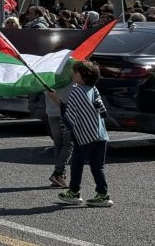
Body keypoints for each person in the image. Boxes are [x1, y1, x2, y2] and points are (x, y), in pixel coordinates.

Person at [48, 60, 112, 207]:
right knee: (98, 166)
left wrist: (54, 97)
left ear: (83, 76)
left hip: (85, 135)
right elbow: (101, 111)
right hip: (100, 134)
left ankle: (74, 192)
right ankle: (103, 195)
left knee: (77, 164)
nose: (73, 74)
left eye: (75, 72)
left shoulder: (77, 90)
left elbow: (69, 113)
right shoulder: (94, 90)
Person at [45, 81, 74, 189]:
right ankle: (58, 173)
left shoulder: (47, 78)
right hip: (64, 114)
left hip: (51, 113)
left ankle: (60, 175)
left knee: (58, 144)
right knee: (68, 144)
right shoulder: (69, 78)